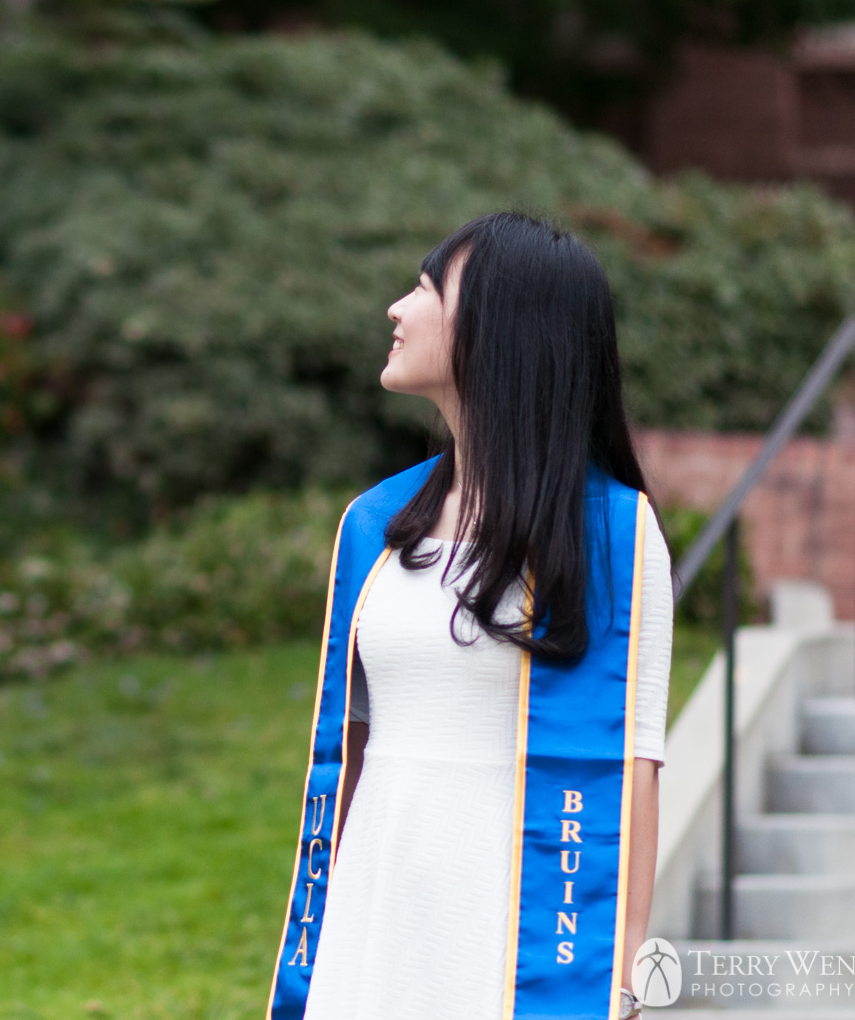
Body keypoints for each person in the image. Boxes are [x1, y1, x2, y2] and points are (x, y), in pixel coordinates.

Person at [266, 212, 672, 1020]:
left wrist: (624, 970)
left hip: (513, 914)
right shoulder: (375, 525)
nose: (396, 308)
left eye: (424, 288)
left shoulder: (611, 534)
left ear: (500, 324)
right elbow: (347, 748)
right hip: (376, 895)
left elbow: (633, 762)